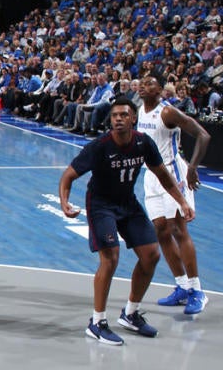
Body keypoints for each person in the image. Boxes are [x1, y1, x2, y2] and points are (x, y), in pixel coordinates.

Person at [58, 97, 195, 346]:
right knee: (110, 258)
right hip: (101, 204)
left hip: (127, 203)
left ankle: (130, 313)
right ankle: (96, 322)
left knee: (152, 255)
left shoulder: (143, 143)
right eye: (114, 116)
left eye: (123, 115)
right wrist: (64, 203)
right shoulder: (100, 146)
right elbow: (68, 175)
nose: (118, 119)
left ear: (134, 119)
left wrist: (182, 201)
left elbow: (163, 174)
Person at [136, 76, 211, 316]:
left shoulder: (167, 113)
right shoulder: (138, 111)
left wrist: (192, 167)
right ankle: (181, 286)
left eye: (149, 83)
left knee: (179, 230)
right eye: (142, 82)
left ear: (159, 90)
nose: (143, 85)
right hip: (151, 175)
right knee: (160, 230)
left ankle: (198, 291)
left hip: (172, 172)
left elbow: (203, 135)